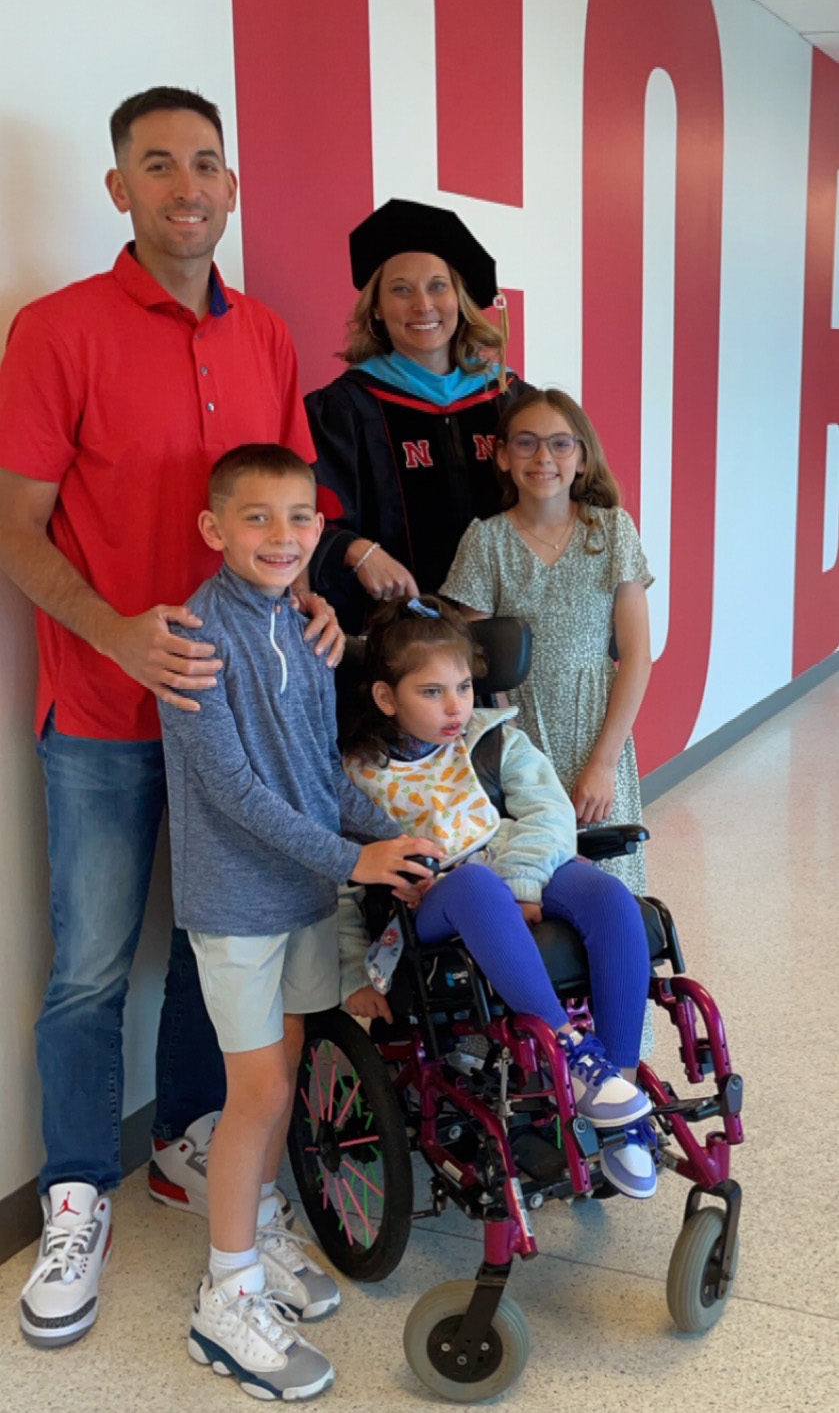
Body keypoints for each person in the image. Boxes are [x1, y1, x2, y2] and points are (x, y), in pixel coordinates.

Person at [0, 86, 341, 1348]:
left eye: (205, 163)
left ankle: (196, 1147)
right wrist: (113, 632)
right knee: (89, 969)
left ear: (229, 188)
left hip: (244, 722)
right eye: (157, 165)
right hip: (100, 712)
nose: (185, 185)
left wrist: (306, 598)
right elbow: (15, 527)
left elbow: (286, 511)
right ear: (119, 190)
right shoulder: (55, 329)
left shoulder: (267, 336)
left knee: (225, 955)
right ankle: (78, 1192)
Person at [157, 445, 437, 1399]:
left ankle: (259, 1225)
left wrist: (396, 833)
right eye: (256, 518)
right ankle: (223, 1298)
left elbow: (315, 781)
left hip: (302, 896)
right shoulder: (196, 637)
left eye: (299, 518)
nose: (282, 536)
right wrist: (352, 858)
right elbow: (233, 789)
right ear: (213, 528)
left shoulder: (308, 631)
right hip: (238, 907)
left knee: (281, 1082)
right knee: (258, 1096)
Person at [340, 596, 658, 1199]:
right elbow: (337, 877)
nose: (456, 704)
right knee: (477, 884)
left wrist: (523, 881)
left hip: (512, 865)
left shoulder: (492, 742)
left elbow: (548, 816)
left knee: (610, 897)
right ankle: (570, 1051)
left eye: (462, 686)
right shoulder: (360, 775)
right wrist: (346, 970)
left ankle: (616, 1096)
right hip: (425, 904)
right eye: (431, 692)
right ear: (387, 698)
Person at [442, 387, 653, 899]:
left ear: (581, 457)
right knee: (534, 883)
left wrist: (602, 764)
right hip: (520, 736)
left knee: (607, 886)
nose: (544, 459)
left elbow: (636, 656)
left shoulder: (611, 531)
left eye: (560, 444)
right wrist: (517, 765)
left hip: (596, 729)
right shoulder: (485, 541)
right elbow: (478, 668)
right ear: (502, 455)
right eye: (527, 443)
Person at [306, 198, 530, 632]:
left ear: (459, 298)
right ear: (375, 307)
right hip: (394, 647)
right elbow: (303, 520)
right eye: (401, 289)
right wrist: (358, 551)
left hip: (503, 641)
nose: (422, 305)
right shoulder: (344, 411)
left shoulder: (508, 400)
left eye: (438, 286)